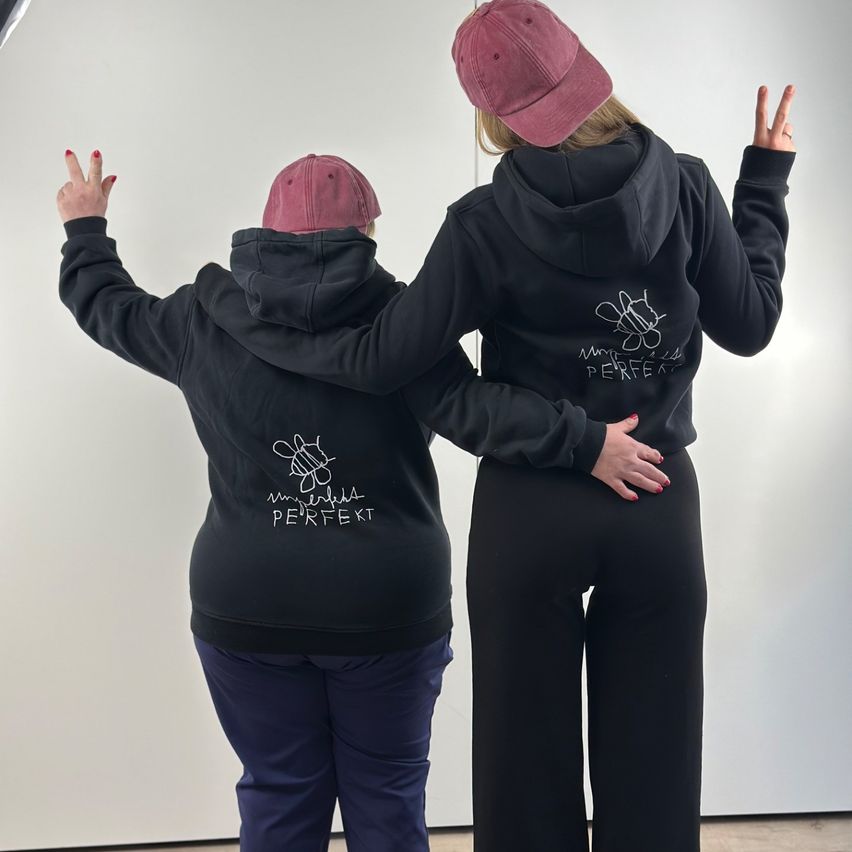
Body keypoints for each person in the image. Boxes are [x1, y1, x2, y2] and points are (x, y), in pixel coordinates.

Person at [193, 1, 798, 849]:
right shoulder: (688, 184)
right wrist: (764, 182)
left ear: (490, 112)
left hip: (530, 509)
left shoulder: (479, 225)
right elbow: (752, 323)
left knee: (521, 772)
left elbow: (379, 361)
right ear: (583, 70)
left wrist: (235, 310)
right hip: (657, 498)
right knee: (656, 769)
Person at [55, 149, 623, 852]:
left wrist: (86, 232)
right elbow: (476, 410)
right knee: (386, 798)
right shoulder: (405, 322)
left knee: (279, 794)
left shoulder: (199, 319)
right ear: (369, 230)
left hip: (247, 609)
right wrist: (585, 442)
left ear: (263, 231)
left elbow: (106, 308)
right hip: (385, 608)